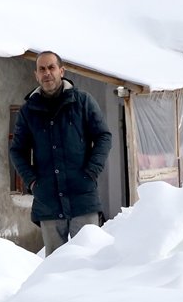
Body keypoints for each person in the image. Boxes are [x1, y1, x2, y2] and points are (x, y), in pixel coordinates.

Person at [9, 51, 112, 254]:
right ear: (36, 75)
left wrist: (91, 171)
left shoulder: (82, 102)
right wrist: (32, 181)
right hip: (48, 202)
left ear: (61, 71)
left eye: (51, 67)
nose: (47, 73)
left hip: (83, 197)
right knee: (56, 266)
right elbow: (17, 150)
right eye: (42, 69)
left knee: (90, 258)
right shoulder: (28, 111)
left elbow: (103, 136)